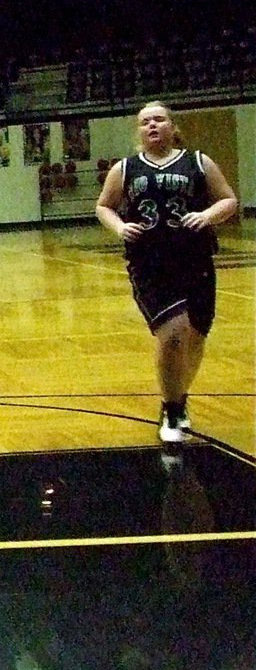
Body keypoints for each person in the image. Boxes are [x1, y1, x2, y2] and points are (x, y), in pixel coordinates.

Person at [95, 101, 237, 452]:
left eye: (159, 119)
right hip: (150, 263)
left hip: (195, 259)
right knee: (172, 334)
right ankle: (172, 411)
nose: (152, 126)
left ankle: (179, 396)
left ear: (173, 127)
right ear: (138, 131)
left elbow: (228, 200)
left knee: (195, 338)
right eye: (145, 122)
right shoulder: (125, 169)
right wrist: (119, 226)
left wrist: (207, 216)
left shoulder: (199, 162)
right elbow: (104, 206)